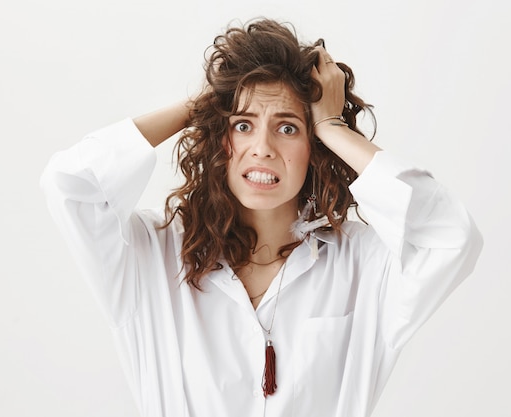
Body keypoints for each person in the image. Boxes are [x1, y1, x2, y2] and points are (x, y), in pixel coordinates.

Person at [41, 18, 483, 417]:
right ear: (220, 138)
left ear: (314, 149)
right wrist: (204, 104)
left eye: (288, 127)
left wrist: (331, 126)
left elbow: (451, 237)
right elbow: (71, 184)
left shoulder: (364, 264)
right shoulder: (151, 256)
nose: (263, 148)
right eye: (243, 124)